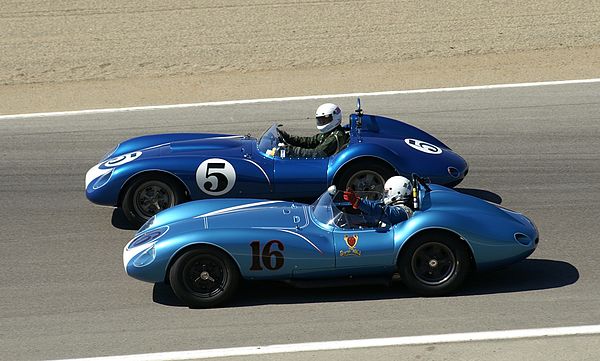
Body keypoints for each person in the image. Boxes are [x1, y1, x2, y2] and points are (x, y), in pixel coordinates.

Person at [269, 103, 349, 158]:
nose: (322, 122)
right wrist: (287, 137)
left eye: (324, 120)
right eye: (320, 120)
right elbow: (310, 141)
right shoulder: (330, 132)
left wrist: (290, 150)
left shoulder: (336, 136)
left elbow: (316, 154)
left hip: (322, 165)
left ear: (334, 117)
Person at [343, 176, 414, 226]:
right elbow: (375, 209)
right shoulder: (393, 209)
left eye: (387, 192)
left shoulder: (404, 211)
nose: (385, 195)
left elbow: (381, 211)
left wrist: (359, 202)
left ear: (398, 192)